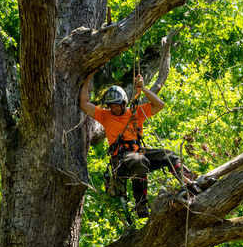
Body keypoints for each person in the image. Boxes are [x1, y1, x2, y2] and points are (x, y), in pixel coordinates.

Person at [79, 71, 215, 218]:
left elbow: (159, 105)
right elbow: (84, 103)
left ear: (123, 102)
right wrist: (87, 78)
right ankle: (141, 203)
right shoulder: (104, 115)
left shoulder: (135, 112)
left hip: (139, 153)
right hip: (122, 159)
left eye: (117, 105)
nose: (114, 108)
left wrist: (143, 88)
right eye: (111, 106)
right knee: (139, 161)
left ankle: (189, 181)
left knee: (168, 154)